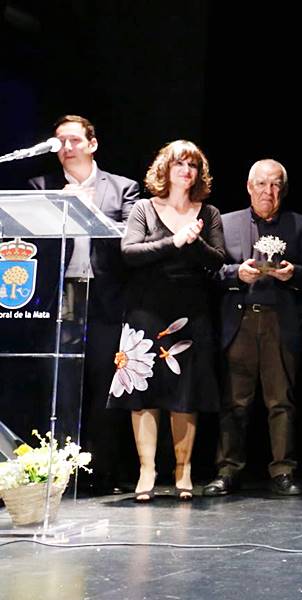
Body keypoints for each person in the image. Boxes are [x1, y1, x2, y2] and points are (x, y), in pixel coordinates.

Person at [28, 115, 140, 494]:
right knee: (61, 387)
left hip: (104, 299)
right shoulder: (42, 187)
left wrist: (86, 211)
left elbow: (131, 244)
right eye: (60, 141)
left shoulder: (123, 189)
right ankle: (58, 473)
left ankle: (101, 471)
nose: (66, 147)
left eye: (74, 140)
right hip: (60, 300)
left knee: (101, 386)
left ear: (92, 145)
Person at [111, 140, 226, 502]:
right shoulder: (144, 208)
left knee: (184, 392)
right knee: (143, 392)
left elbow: (218, 260)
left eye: (192, 165)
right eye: (179, 164)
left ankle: (183, 470)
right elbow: (129, 252)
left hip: (190, 312)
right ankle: (147, 470)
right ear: (166, 169)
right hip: (146, 310)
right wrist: (173, 241)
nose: (186, 171)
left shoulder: (208, 213)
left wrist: (193, 242)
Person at [203, 159, 302, 497]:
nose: (268, 192)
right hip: (239, 320)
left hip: (279, 321)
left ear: (282, 189)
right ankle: (227, 471)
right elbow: (210, 272)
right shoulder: (226, 223)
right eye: (262, 184)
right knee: (234, 402)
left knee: (280, 401)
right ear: (249, 186)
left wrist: (292, 273)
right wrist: (235, 273)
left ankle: (283, 470)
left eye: (275, 185)